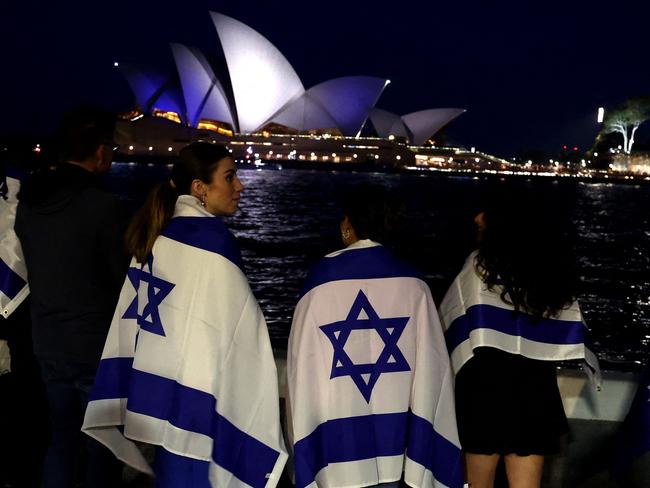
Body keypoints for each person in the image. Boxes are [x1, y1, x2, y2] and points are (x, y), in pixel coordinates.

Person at [82, 142, 288, 487]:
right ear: (199, 188)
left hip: (159, 393)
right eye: (230, 176)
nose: (240, 186)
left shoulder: (155, 233)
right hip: (199, 406)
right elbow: (242, 334)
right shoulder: (214, 243)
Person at [287, 184, 463, 488]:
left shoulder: (319, 283)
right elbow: (433, 372)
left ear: (347, 224)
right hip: (396, 436)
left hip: (336, 435)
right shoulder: (414, 285)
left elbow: (302, 366)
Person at [439, 188, 600, 488]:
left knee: (477, 483)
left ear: (501, 220)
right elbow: (568, 323)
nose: (476, 218)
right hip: (534, 388)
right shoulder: (548, 269)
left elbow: (451, 319)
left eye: (484, 212)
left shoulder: (479, 266)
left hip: (483, 389)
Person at [14, 106, 125, 488]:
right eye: (110, 148)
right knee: (103, 447)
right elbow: (119, 280)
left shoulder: (29, 202)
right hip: (94, 346)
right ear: (98, 152)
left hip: (47, 340)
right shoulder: (102, 206)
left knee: (62, 439)